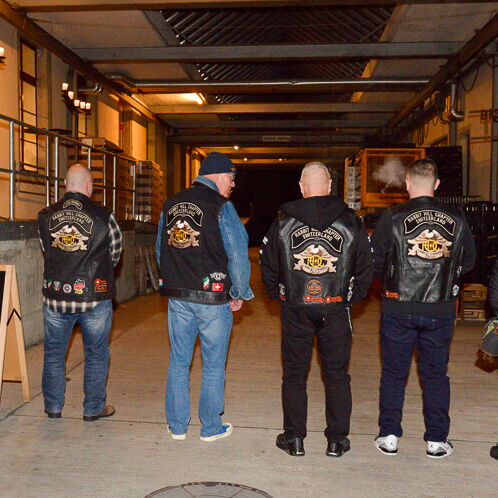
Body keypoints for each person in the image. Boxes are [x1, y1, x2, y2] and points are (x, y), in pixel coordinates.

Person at [260, 162, 373, 457]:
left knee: (294, 375)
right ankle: (336, 441)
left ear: (301, 187)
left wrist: (277, 295)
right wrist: (351, 298)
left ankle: (294, 439)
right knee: (337, 376)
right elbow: (366, 266)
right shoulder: (350, 221)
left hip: (295, 306)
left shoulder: (283, 221)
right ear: (330, 186)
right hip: (335, 307)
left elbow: (268, 264)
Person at [371, 158, 475, 459]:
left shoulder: (393, 215)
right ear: (437, 184)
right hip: (440, 308)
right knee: (436, 375)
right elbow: (469, 261)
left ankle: (389, 436)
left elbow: (376, 261)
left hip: (398, 305)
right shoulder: (456, 216)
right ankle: (436, 440)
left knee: (394, 373)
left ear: (407, 184)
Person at [156, 151, 253, 442]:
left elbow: (161, 250)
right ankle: (210, 428)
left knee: (179, 361)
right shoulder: (221, 206)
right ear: (221, 175)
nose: (232, 185)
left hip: (179, 296)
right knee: (212, 364)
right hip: (213, 297)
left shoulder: (171, 204)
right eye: (231, 179)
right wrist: (238, 291)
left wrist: (174, 279)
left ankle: (177, 427)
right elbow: (238, 254)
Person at [38, 164, 122, 421]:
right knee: (96, 354)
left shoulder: (45, 215)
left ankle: (53, 407)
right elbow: (115, 252)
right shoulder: (104, 215)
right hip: (93, 296)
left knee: (54, 354)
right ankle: (93, 409)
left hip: (56, 295)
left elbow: (46, 249)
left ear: (65, 184)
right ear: (90, 186)